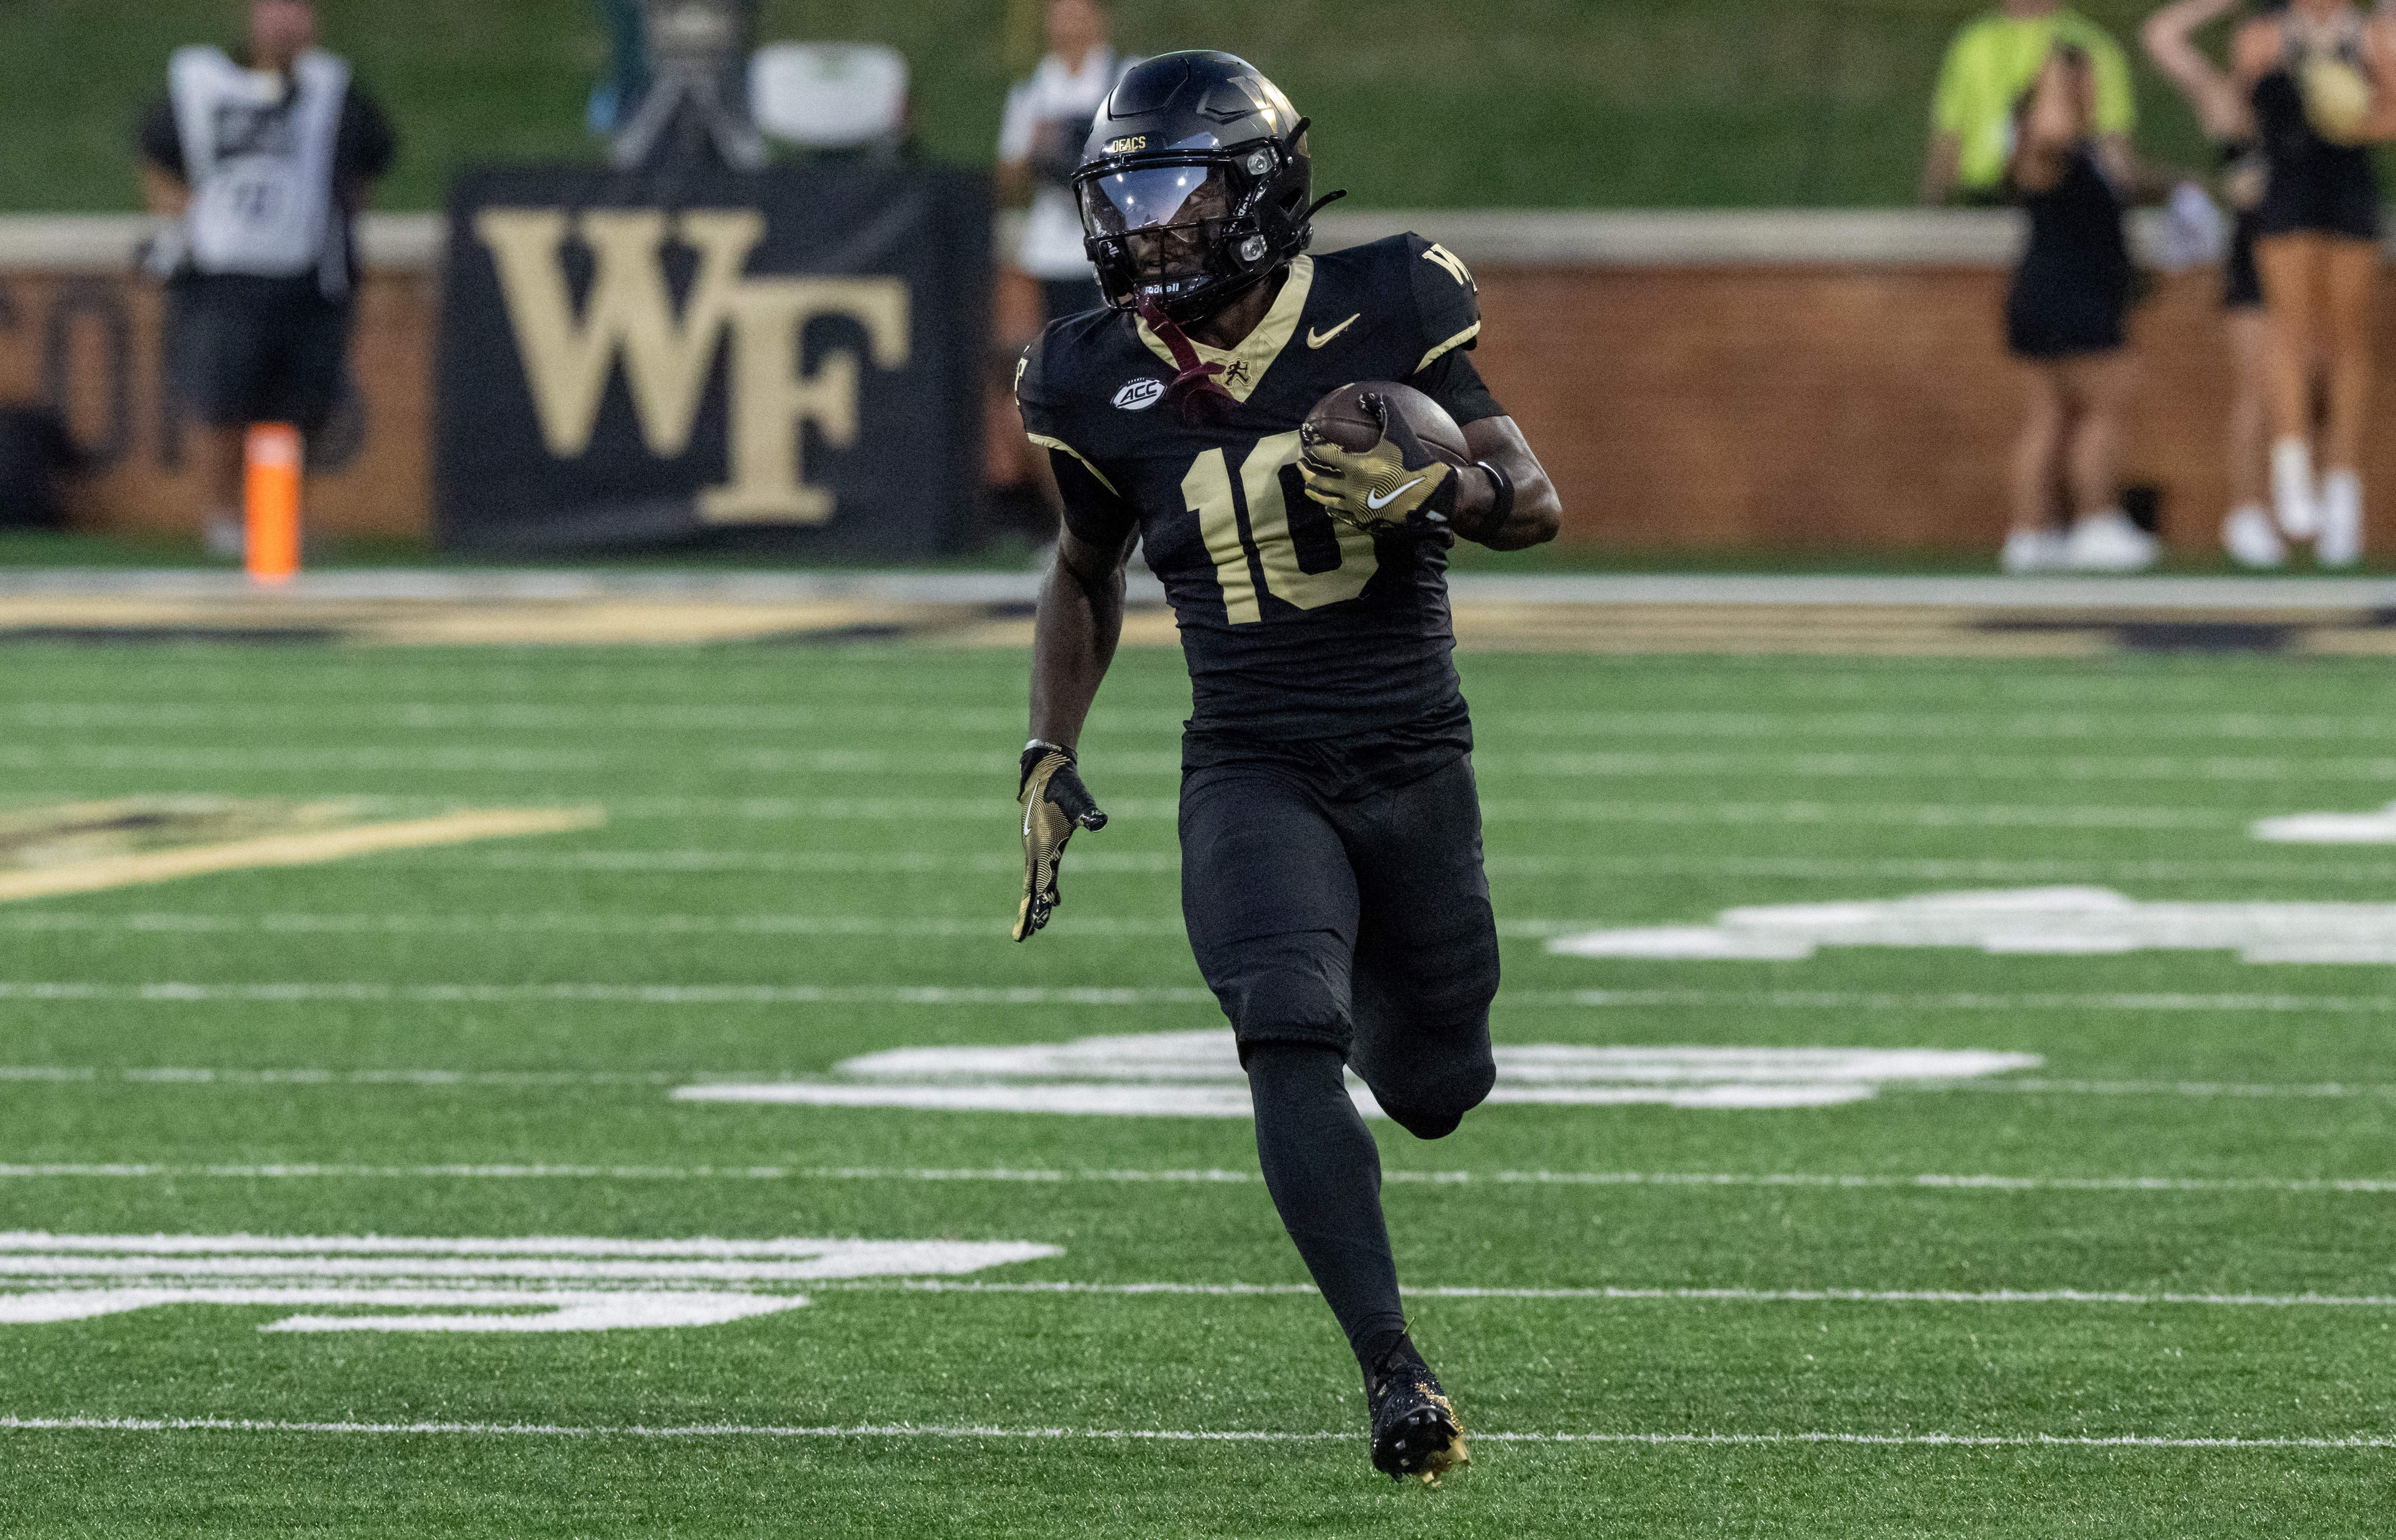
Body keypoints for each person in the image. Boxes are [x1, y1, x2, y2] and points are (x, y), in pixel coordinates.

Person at [1010, 51, 1561, 1483]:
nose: (1145, 227)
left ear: (1256, 195)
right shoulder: (1086, 372)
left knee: (1437, 1082)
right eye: (1124, 194)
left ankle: (1376, 996)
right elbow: (1083, 569)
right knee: (1280, 1024)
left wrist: (1441, 484)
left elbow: (1535, 502)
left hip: (1409, 756)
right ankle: (1394, 1369)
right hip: (1248, 759)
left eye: (1176, 191)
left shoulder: (1392, 299)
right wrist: (1048, 747)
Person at [137, 0, 394, 558]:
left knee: (297, 407)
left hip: (303, 272)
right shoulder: (203, 83)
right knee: (223, 403)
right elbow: (157, 154)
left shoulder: (331, 91)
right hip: (224, 270)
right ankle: (223, 519)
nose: (287, 26)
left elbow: (371, 162)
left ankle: (277, 520)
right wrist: (181, 224)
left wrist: (333, 223)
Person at [2000, 47, 2181, 572]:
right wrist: (2054, 78)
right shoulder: (2042, 144)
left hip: (2070, 295)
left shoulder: (2093, 149)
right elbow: (2050, 134)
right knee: (2102, 409)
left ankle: (2032, 534)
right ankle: (2093, 521)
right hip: (2065, 296)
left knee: (2053, 416)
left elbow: (2124, 186)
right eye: (2079, 82)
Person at [2233, 0, 2396, 566]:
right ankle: (2290, 464)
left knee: (2349, 332)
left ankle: (2343, 488)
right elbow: (2244, 113)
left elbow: (2390, 114)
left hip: (2347, 187)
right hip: (2288, 187)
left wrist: (2352, 117)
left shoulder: (2372, 35)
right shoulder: (2263, 36)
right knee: (2291, 327)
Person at [2146, 0, 2286, 568]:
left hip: (2316, 249)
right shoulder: (2226, 100)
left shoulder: (2319, 91)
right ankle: (2247, 510)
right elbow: (2162, 35)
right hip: (2252, 258)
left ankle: (2306, 506)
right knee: (2256, 390)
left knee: (2314, 387)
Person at [1924, 0, 2139, 206]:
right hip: (1982, 197)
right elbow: (1948, 138)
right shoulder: (1972, 43)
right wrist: (1933, 211)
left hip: (2061, 198)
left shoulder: (2089, 46)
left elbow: (2113, 142)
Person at [997, 0, 1132, 324]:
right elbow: (1009, 178)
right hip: (1053, 245)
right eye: (1060, 16)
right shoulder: (1033, 91)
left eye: (1076, 14)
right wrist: (1036, 149)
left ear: (1098, 19)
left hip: (1117, 238)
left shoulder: (1126, 79)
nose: (1067, 25)